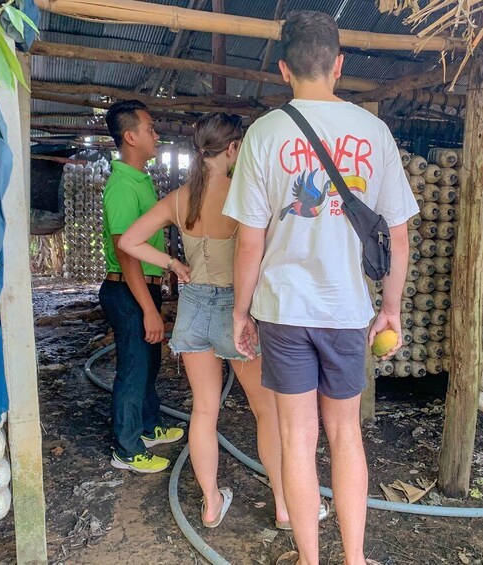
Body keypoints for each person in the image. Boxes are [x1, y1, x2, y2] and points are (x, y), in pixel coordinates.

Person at [223, 10, 418, 565]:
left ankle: (311, 561)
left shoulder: (264, 134)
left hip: (283, 310)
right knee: (346, 436)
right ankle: (354, 560)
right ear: (338, 64)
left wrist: (242, 311)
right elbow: (397, 237)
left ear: (285, 69)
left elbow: (247, 244)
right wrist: (392, 309)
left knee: (296, 441)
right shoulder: (373, 133)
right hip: (346, 310)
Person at [118, 113, 327, 528]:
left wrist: (174, 262)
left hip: (193, 308)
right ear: (232, 149)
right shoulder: (246, 195)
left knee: (204, 412)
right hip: (238, 311)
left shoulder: (180, 198)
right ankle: (286, 507)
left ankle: (211, 504)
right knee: (265, 411)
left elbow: (128, 241)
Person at [99, 100, 184, 474]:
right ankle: (127, 447)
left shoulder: (141, 181)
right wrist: (148, 309)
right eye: (150, 128)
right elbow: (127, 252)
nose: (156, 134)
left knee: (149, 362)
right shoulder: (121, 187)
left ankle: (148, 427)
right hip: (127, 287)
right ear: (130, 136)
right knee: (133, 369)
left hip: (142, 288)